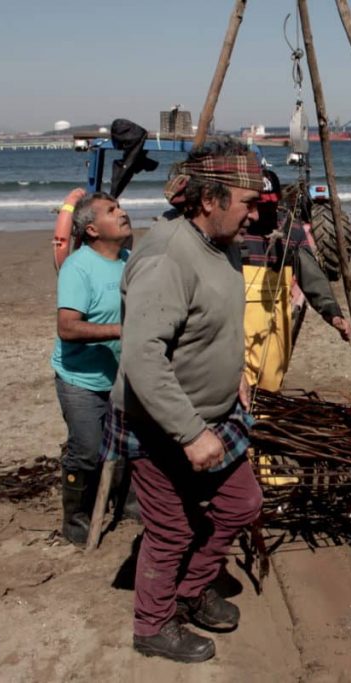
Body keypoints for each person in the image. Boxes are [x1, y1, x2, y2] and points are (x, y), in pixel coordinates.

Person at [102, 139, 264, 663]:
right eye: (247, 200)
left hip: (215, 412)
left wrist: (233, 374)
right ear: (209, 199)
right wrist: (191, 432)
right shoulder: (168, 255)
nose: (255, 211)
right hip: (160, 420)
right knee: (171, 529)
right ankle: (152, 625)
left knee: (242, 503)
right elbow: (142, 357)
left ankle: (192, 590)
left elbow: (210, 325)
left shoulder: (223, 241)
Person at [50, 192, 131, 546]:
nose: (123, 213)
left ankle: (128, 505)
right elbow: (67, 327)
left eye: (120, 207)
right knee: (87, 449)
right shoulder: (77, 268)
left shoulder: (128, 260)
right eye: (112, 211)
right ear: (93, 230)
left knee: (129, 443)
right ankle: (76, 519)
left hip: (120, 375)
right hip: (80, 379)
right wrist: (119, 331)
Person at [239, 168, 351, 392]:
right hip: (237, 320)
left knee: (269, 382)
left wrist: (332, 313)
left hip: (275, 322)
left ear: (278, 200)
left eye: (269, 205)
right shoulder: (236, 229)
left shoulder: (290, 229)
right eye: (259, 204)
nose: (263, 212)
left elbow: (311, 275)